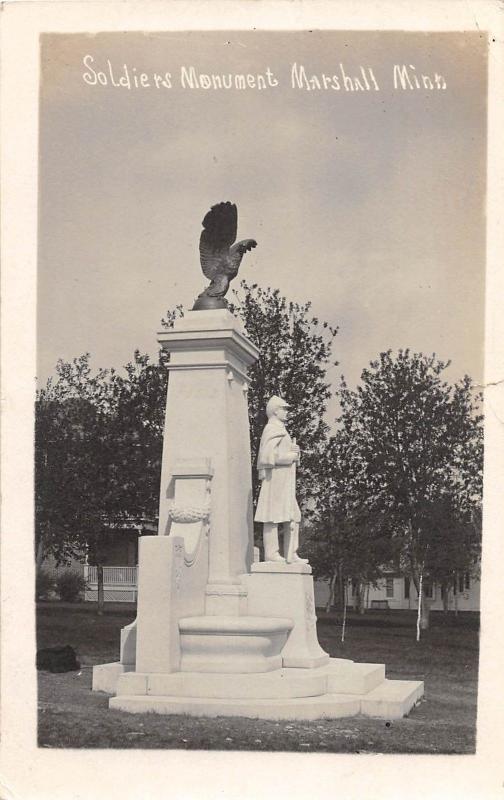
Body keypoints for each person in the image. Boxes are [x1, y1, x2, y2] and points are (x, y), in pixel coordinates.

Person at [254, 395, 308, 564]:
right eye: (284, 409)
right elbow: (267, 457)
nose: (287, 412)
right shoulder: (272, 429)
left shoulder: (282, 429)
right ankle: (271, 553)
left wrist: (294, 452)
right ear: (275, 411)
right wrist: (289, 456)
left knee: (294, 515)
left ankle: (291, 553)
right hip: (275, 480)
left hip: (284, 481)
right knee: (272, 515)